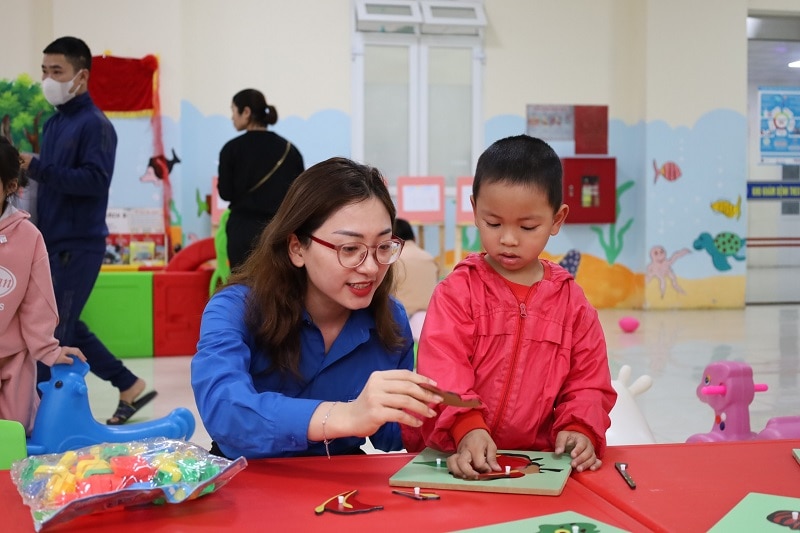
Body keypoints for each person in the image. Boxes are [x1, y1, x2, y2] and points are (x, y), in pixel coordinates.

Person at [192, 157, 444, 459]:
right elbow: (225, 412)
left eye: (383, 247)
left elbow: (392, 430)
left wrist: (457, 422)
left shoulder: (390, 317)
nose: (369, 268)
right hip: (249, 479)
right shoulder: (235, 308)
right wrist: (346, 416)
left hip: (342, 489)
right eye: (349, 249)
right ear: (297, 247)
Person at [406, 135, 617, 478]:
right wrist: (466, 426)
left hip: (534, 462)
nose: (508, 239)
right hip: (454, 452)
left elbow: (588, 381)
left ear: (557, 219)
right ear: (475, 211)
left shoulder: (570, 302)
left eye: (527, 226)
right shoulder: (458, 291)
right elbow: (442, 368)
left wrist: (580, 428)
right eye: (494, 223)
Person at [18, 36, 155, 425]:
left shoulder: (95, 125)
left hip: (77, 245)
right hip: (51, 240)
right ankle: (127, 383)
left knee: (54, 333)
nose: (48, 78)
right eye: (45, 70)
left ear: (81, 76)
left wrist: (38, 167)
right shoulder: (56, 122)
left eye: (56, 71)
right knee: (64, 324)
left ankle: (45, 418)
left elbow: (95, 181)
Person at [0, 136, 87, 435]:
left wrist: (49, 350)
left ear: (11, 186)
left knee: (18, 430)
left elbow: (37, 302)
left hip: (14, 358)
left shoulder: (28, 237)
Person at [217, 89, 305, 269]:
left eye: (233, 110)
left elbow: (225, 193)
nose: (232, 117)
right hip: (279, 230)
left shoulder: (231, 149)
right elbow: (299, 194)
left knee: (243, 286)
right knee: (278, 285)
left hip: (242, 231)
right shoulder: (290, 150)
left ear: (246, 112)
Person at [392, 218, 439, 318]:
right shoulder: (429, 258)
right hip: (429, 319)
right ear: (414, 238)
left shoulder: (393, 261)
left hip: (402, 320)